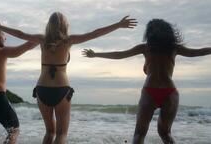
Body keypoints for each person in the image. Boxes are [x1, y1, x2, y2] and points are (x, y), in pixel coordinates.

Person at [0, 12, 137, 144]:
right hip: (61, 90)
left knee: (49, 132)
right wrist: (118, 25)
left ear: (49, 25)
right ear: (65, 25)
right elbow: (95, 33)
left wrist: (0, 27)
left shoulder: (41, 39)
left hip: (42, 89)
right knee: (61, 134)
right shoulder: (68, 41)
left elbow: (21, 34)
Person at [82, 19, 211, 144]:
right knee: (165, 134)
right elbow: (199, 52)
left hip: (150, 90)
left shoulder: (145, 48)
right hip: (170, 92)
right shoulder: (174, 48)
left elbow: (119, 54)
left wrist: (96, 54)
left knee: (139, 134)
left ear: (149, 33)